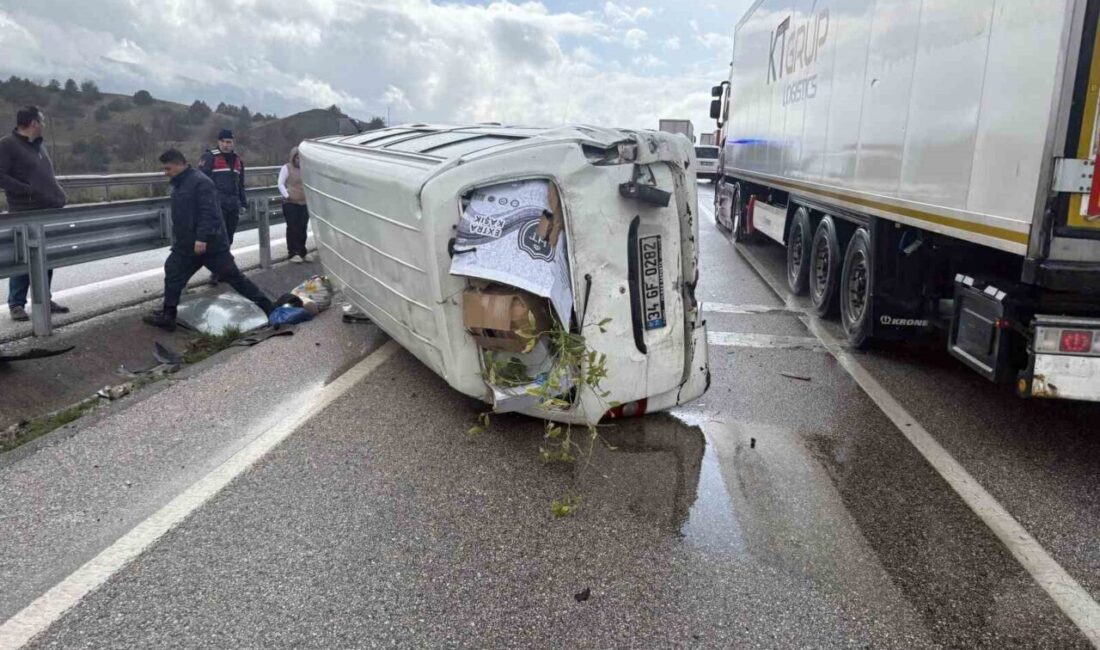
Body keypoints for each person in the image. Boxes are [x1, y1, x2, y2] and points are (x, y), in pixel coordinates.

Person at [143, 149, 273, 332]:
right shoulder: (180, 183)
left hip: (210, 245)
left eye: (168, 168)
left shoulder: (201, 182)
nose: (166, 173)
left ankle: (269, 307)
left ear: (180, 164)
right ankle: (168, 315)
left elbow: (209, 211)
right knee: (173, 271)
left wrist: (202, 238)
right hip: (187, 244)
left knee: (234, 277)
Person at [0, 106, 70, 321]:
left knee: (46, 257)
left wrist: (58, 194)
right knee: (23, 258)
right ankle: (16, 304)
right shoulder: (8, 145)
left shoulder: (39, 146)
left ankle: (44, 298)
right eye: (42, 121)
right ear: (33, 123)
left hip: (46, 209)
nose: (44, 125)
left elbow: (46, 176)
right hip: (24, 211)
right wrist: (25, 190)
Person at [198, 129, 246, 282]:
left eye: (229, 142)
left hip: (233, 205)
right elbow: (200, 182)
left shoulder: (238, 160)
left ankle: (223, 269)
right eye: (223, 142)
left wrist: (243, 202)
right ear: (218, 142)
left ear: (233, 143)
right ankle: (217, 271)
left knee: (228, 238)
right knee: (218, 239)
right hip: (216, 206)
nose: (226, 145)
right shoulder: (209, 157)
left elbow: (240, 184)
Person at [277, 146, 310, 263]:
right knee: (293, 227)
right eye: (297, 158)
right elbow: (280, 183)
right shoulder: (287, 168)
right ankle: (293, 252)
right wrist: (287, 195)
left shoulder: (306, 169)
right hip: (291, 203)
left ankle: (302, 251)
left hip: (304, 202)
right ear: (293, 158)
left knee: (303, 227)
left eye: (301, 158)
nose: (299, 160)